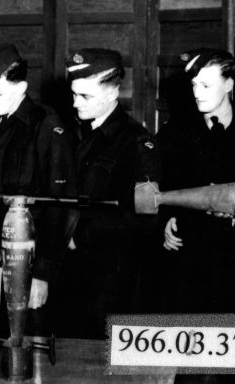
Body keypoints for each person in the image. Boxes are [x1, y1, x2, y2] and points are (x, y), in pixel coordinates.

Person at [0, 44, 77, 336]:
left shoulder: (47, 125)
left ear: (22, 87)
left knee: (27, 344)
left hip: (28, 263)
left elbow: (61, 204)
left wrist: (43, 274)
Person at [157, 48, 235, 313]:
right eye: (194, 85)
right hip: (189, 259)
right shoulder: (175, 134)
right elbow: (161, 186)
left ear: (229, 84)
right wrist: (166, 221)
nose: (197, 93)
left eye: (206, 85)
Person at [56, 48, 160, 338]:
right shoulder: (78, 133)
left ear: (113, 93)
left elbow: (144, 217)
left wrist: (81, 236)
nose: (75, 104)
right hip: (73, 273)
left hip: (112, 280)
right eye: (74, 94)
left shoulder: (137, 144)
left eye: (85, 96)